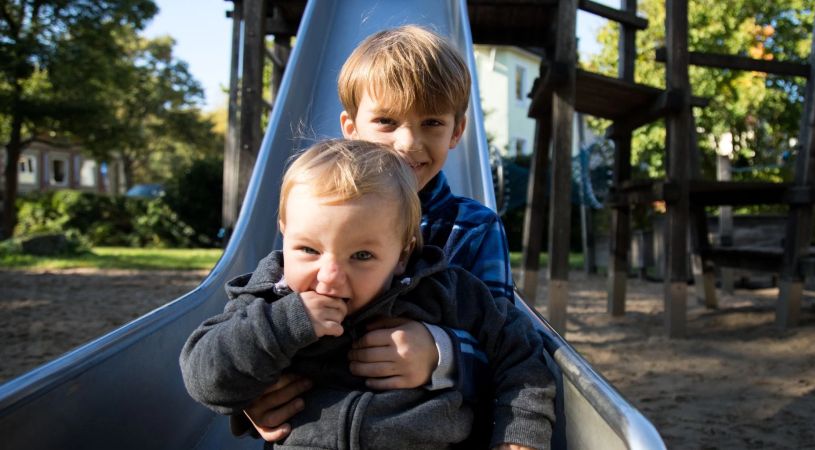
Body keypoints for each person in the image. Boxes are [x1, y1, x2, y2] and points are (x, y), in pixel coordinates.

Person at [244, 24, 521, 445]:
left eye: (431, 122)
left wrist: (441, 353)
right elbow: (262, 316)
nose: (408, 143)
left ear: (457, 130)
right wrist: (249, 394)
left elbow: (508, 351)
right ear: (351, 127)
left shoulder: (472, 228)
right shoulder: (321, 212)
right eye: (386, 122)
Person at [180, 139, 554, 449]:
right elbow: (204, 377)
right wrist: (281, 326)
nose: (329, 278)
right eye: (308, 250)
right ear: (284, 232)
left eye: (362, 256)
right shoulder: (267, 301)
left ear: (402, 255)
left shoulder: (442, 291)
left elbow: (520, 353)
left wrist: (519, 435)